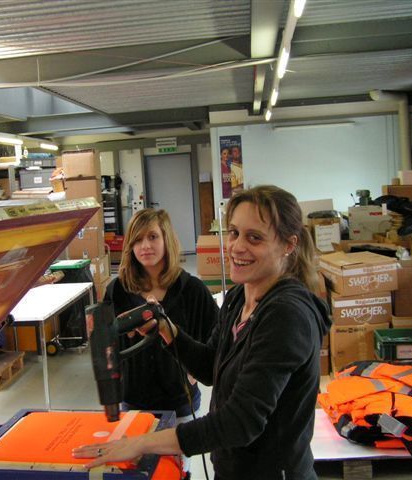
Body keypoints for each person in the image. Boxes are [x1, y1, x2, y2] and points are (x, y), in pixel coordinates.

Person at [74, 185, 331, 479]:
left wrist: (142, 443)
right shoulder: (239, 297)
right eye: (234, 233)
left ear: (288, 245)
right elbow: (211, 367)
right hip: (233, 468)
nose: (237, 247)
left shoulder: (286, 315)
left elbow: (240, 422)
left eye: (255, 238)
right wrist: (167, 330)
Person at [103, 208, 219, 475]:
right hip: (134, 401)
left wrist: (195, 372)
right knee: (136, 471)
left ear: (167, 239)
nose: (145, 246)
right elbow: (108, 346)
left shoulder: (192, 289)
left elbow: (217, 339)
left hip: (179, 401)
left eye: (153, 237)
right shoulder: (117, 290)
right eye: (138, 239)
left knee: (175, 471)